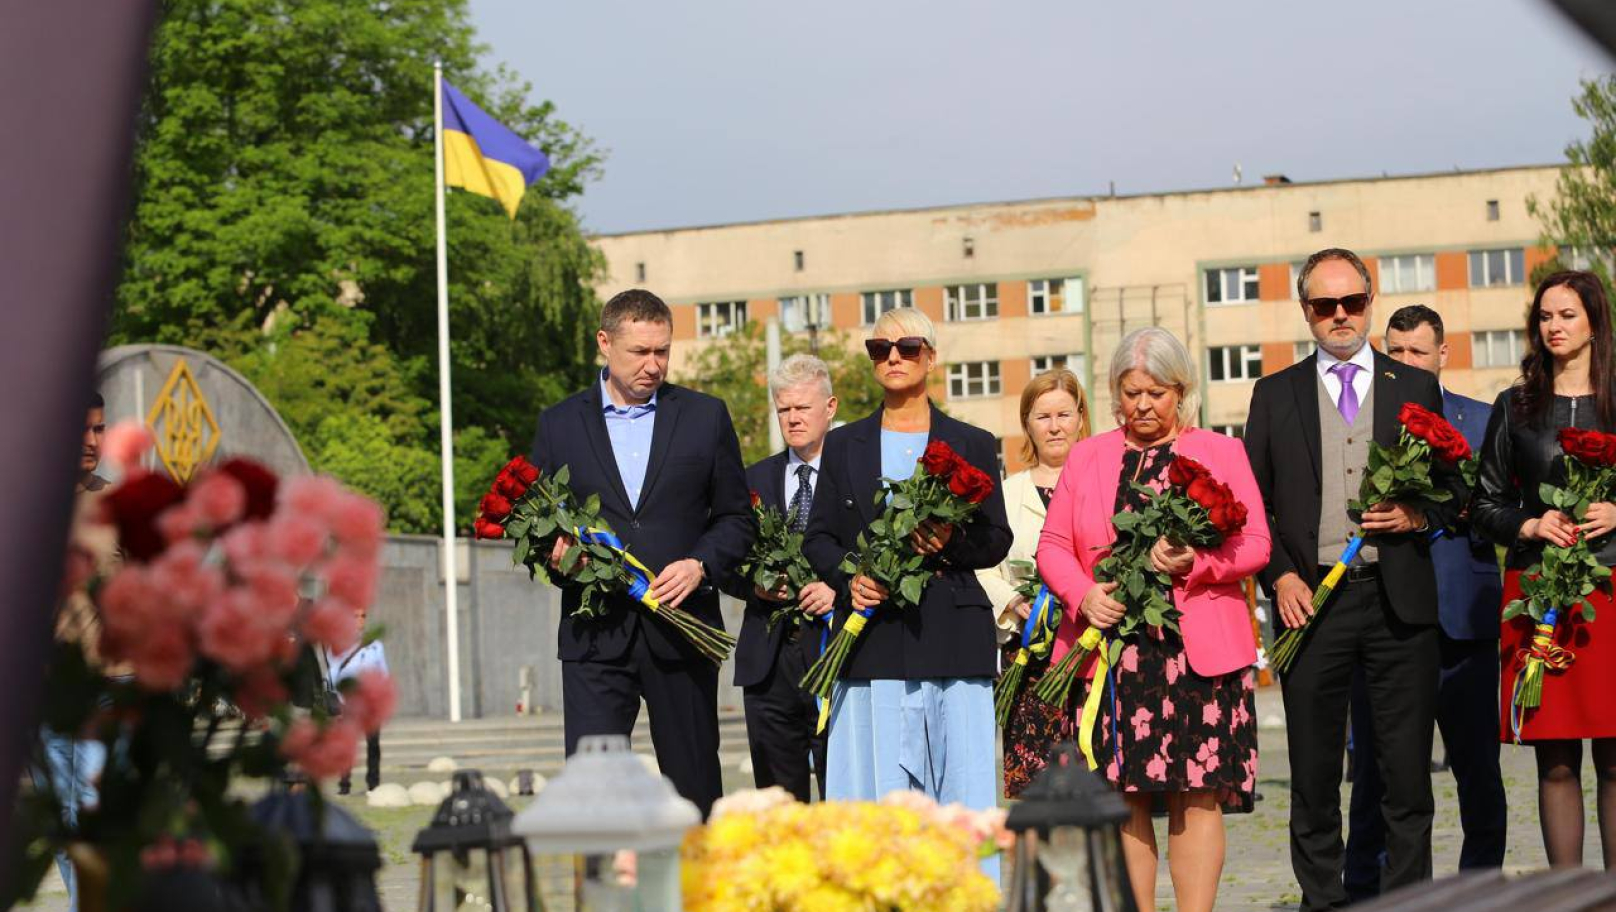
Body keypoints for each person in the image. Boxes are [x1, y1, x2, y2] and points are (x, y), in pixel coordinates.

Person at [1244, 247, 1464, 910]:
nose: (1339, 316)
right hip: (1309, 608)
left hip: (1400, 606)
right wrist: (1281, 576)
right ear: (1305, 311)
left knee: (1405, 778)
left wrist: (1416, 514)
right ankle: (1323, 901)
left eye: (1352, 303)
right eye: (1324, 305)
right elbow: (1252, 508)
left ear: (1370, 302)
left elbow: (1457, 495)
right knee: (1313, 776)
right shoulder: (1273, 394)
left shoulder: (1415, 387)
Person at [1036, 328, 1269, 912]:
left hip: (1200, 652)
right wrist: (1084, 595)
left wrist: (1201, 562)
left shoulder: (1222, 452)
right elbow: (1053, 546)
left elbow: (1257, 544)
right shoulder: (1089, 456)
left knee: (1198, 792)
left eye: (1156, 393)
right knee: (1123, 794)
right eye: (1131, 392)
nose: (1142, 405)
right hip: (1113, 652)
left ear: (1181, 391)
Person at [528, 288, 753, 818]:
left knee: (695, 785)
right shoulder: (558, 425)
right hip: (595, 637)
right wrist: (562, 560)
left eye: (663, 351)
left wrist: (700, 564)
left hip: (683, 629)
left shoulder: (705, 417)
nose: (653, 365)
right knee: (592, 790)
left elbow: (737, 519)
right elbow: (539, 526)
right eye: (639, 352)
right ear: (605, 343)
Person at [801, 307, 1011, 867]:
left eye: (907, 346)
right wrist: (852, 578)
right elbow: (817, 538)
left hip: (952, 635)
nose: (893, 357)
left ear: (931, 357)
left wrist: (947, 541)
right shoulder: (843, 445)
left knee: (962, 793)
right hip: (870, 641)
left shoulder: (972, 440)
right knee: (872, 799)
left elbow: (995, 539)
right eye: (879, 349)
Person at [1344, 305, 1506, 898]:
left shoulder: (1484, 420)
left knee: (1477, 773)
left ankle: (1480, 893)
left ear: (1444, 355)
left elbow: (1501, 509)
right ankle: (1372, 892)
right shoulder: (1361, 418)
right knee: (1376, 775)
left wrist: (1446, 508)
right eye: (1397, 351)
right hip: (1382, 618)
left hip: (1462, 619)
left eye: (1418, 352)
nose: (1407, 362)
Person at [1473, 270, 1616, 869]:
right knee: (1554, 757)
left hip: (1609, 593)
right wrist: (1530, 525)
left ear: (1593, 322)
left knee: (1614, 756)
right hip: (1539, 599)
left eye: (1567, 316)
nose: (1553, 327)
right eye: (1545, 317)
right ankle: (1567, 899)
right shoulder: (1518, 405)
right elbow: (1483, 505)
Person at [725, 353, 838, 802]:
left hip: (836, 658)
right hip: (769, 668)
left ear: (829, 407)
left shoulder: (855, 478)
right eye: (784, 409)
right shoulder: (752, 479)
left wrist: (838, 589)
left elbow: (872, 554)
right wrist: (752, 585)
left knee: (842, 803)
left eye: (802, 408)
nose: (792, 419)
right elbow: (727, 555)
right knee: (777, 807)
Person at [976, 368, 1091, 797]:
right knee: (1037, 790)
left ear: (1081, 417)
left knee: (1096, 784)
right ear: (1027, 422)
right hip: (1029, 656)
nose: (1055, 426)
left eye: (1064, 414)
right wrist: (1011, 602)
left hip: (1091, 651)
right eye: (1043, 416)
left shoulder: (1103, 487)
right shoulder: (1005, 495)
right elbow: (982, 566)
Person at [36, 394, 114, 912]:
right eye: (82, 431)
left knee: (91, 816)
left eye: (100, 430)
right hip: (41, 700)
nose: (91, 441)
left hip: (106, 692)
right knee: (61, 827)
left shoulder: (116, 508)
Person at [326, 606, 389, 796]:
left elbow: (383, 673)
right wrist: (337, 702)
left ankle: (373, 783)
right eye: (355, 616)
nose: (360, 620)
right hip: (348, 703)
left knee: (373, 744)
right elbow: (331, 676)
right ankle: (344, 783)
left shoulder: (375, 645)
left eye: (363, 616)